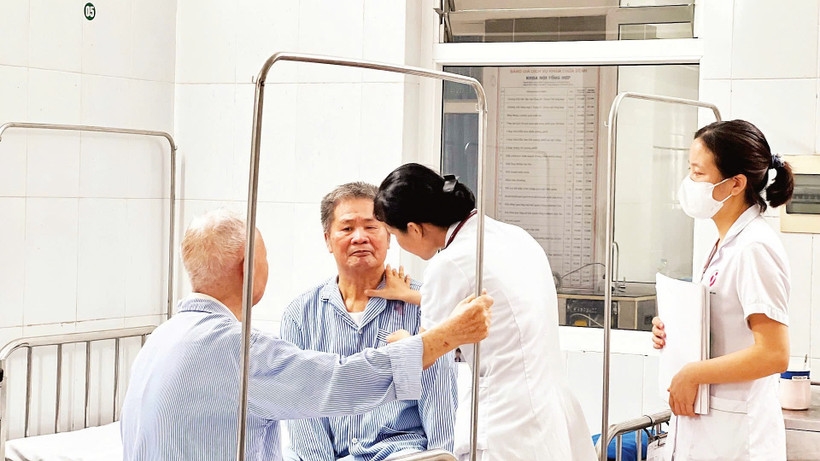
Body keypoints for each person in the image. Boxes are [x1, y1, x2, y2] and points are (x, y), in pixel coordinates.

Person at [120, 208, 493, 461]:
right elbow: (339, 380)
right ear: (248, 268)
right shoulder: (239, 347)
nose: (360, 238)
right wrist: (445, 336)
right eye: (265, 258)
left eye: (372, 226)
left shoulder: (160, 339)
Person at [372, 163, 597, 461]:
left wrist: (402, 341)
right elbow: (497, 302)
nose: (397, 245)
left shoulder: (448, 264)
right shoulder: (512, 235)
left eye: (393, 234)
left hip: (505, 424)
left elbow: (428, 352)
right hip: (549, 410)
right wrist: (412, 295)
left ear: (414, 229)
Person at [281, 182, 457, 461]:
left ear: (389, 236)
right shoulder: (300, 315)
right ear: (328, 239)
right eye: (347, 228)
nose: (360, 237)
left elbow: (439, 396)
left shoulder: (421, 305)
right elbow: (301, 405)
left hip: (401, 454)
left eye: (371, 226)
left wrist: (441, 456)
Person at [651, 119, 793, 460]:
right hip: (712, 431)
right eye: (690, 170)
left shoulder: (754, 248)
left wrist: (694, 373)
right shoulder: (725, 244)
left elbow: (774, 354)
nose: (689, 182)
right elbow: (725, 330)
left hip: (739, 439)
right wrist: (675, 332)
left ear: (736, 183)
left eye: (698, 173)